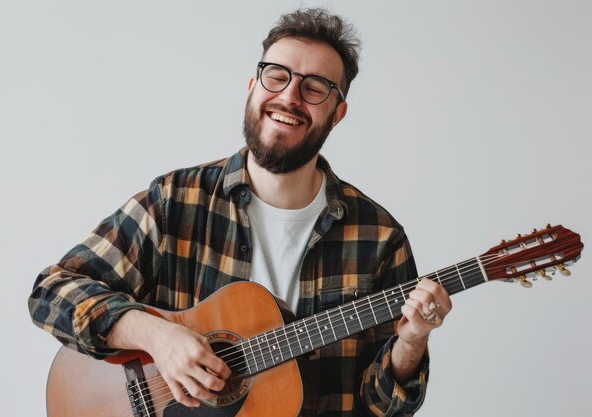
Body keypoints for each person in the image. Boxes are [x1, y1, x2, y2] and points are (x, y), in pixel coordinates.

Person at [29, 8, 452, 417]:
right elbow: (52, 292)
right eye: (277, 76)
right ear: (253, 85)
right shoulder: (177, 200)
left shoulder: (378, 239)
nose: (289, 96)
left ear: (337, 113)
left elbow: (382, 408)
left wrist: (411, 342)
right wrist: (158, 336)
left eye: (315, 87)